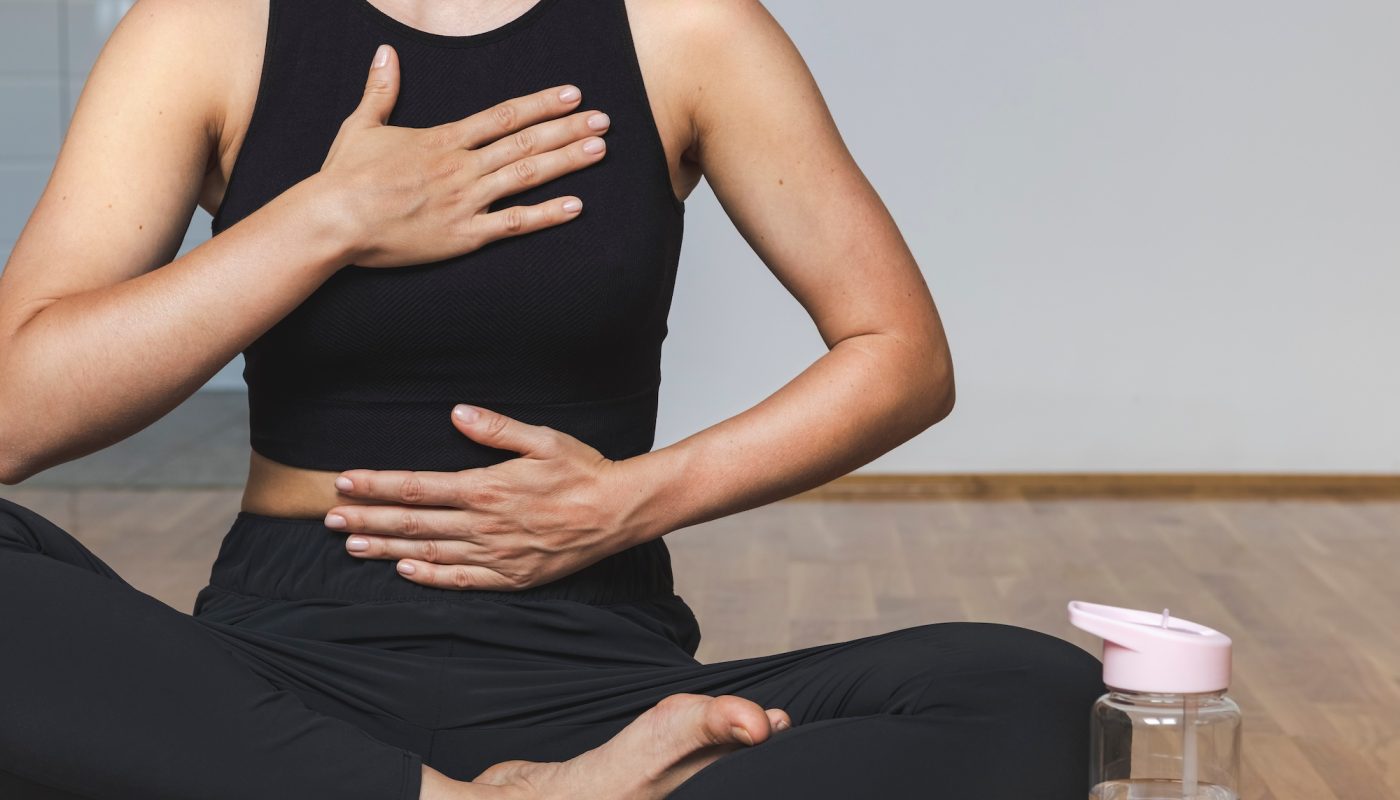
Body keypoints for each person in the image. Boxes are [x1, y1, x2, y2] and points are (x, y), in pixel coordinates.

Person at [0, 0, 1105, 797]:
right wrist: (322, 220)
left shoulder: (688, 31)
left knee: (1037, 690)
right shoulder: (201, 32)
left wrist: (632, 500)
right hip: (276, 673)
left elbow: (900, 352)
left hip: (593, 670)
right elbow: (14, 416)